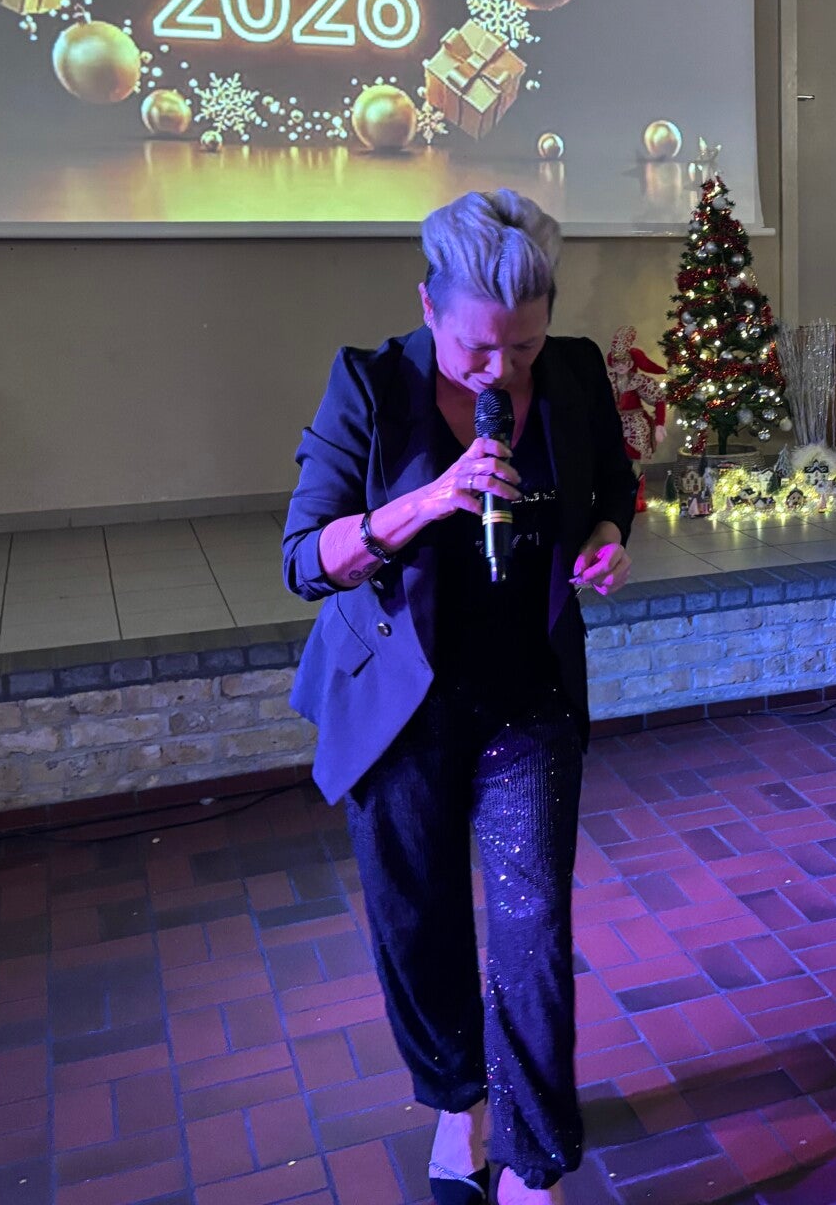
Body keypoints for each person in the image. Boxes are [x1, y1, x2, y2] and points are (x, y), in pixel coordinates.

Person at [282, 190, 637, 1205]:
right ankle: (458, 1102)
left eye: (522, 347)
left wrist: (607, 537)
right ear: (428, 306)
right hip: (401, 709)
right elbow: (305, 557)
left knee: (533, 932)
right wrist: (433, 499)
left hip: (526, 695)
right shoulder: (369, 383)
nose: (500, 371)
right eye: (478, 348)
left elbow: (614, 485)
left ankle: (531, 1159)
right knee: (420, 924)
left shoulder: (572, 372)